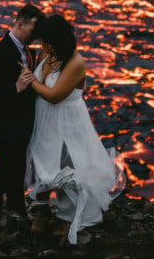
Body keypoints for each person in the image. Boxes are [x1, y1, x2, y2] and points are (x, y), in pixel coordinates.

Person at [20, 14, 126, 245]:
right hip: (44, 118)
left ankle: (66, 216)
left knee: (68, 165)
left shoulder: (75, 62)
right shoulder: (46, 53)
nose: (42, 46)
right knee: (41, 162)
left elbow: (55, 95)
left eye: (46, 41)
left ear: (56, 41)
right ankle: (41, 209)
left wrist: (30, 79)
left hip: (67, 119)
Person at [0, 4, 45, 247]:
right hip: (5, 125)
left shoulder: (28, 51)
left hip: (21, 125)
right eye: (33, 29)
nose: (35, 35)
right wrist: (14, 88)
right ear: (19, 23)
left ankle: (17, 212)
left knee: (17, 171)